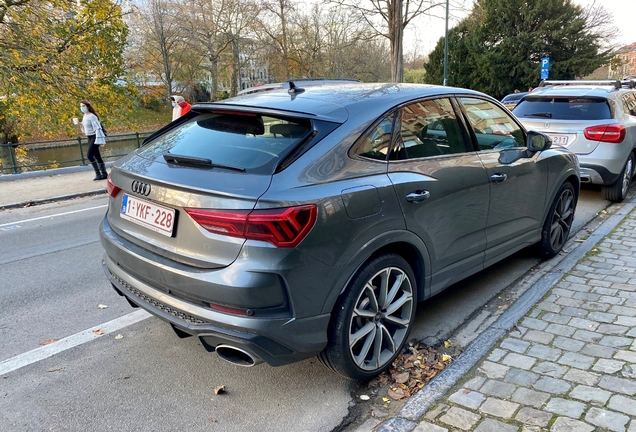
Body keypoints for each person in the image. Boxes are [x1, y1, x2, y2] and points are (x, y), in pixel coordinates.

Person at [77, 100, 107, 180]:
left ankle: (98, 174)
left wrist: (101, 141)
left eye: (83, 106)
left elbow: (98, 128)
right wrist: (79, 124)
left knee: (89, 155)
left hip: (94, 137)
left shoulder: (92, 116)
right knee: (97, 156)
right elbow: (86, 126)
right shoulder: (85, 116)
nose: (82, 108)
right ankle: (104, 174)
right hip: (89, 137)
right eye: (80, 106)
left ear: (88, 106)